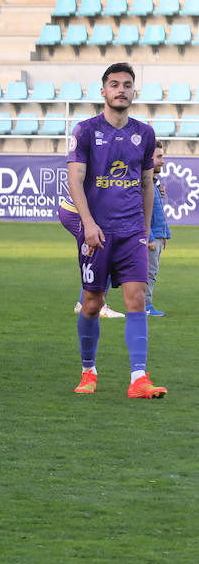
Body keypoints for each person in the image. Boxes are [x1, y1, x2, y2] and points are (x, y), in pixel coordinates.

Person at [62, 63, 165, 398]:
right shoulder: (85, 130)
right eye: (114, 84)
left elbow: (147, 184)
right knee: (92, 303)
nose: (121, 90)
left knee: (136, 300)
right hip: (98, 232)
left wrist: (146, 230)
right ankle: (88, 371)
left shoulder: (145, 134)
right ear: (103, 91)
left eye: (127, 85)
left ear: (134, 92)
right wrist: (88, 223)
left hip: (132, 230)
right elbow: (75, 179)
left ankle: (138, 378)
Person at [146, 144, 169, 317]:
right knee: (149, 274)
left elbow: (158, 212)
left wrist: (164, 234)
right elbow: (141, 213)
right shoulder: (145, 186)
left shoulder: (154, 184)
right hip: (151, 239)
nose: (163, 161)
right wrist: (150, 237)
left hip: (158, 236)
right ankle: (145, 306)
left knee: (152, 273)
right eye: (159, 157)